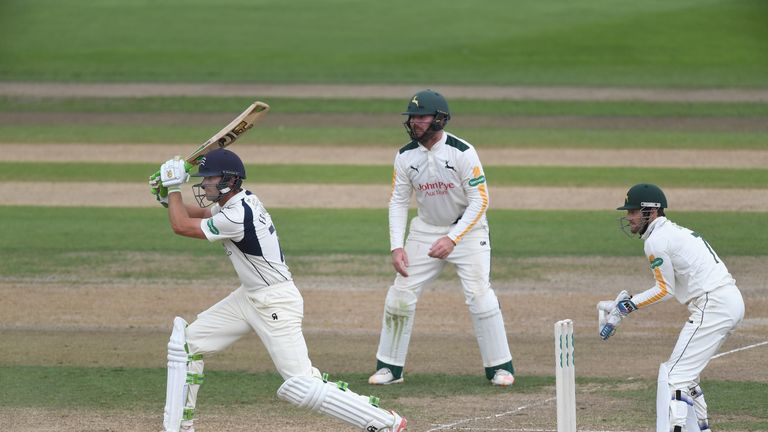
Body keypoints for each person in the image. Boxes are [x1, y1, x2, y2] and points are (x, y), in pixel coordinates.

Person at [151, 149, 407, 432]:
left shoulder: (237, 215)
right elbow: (193, 214)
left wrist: (174, 187)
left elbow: (182, 226)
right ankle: (178, 428)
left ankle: (385, 422)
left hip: (274, 303)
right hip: (250, 296)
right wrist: (166, 196)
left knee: (301, 385)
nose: (203, 184)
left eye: (209, 178)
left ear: (229, 180)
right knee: (187, 344)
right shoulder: (239, 202)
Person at [368, 89, 515, 387]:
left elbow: (480, 200)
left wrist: (453, 238)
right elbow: (398, 201)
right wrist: (396, 245)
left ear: (439, 120)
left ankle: (500, 368)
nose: (414, 122)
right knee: (400, 295)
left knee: (479, 296)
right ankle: (389, 368)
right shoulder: (405, 156)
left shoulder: (462, 152)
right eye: (412, 117)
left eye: (421, 117)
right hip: (424, 230)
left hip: (468, 231)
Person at [600, 183, 745, 432]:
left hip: (714, 305)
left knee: (673, 376)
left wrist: (628, 306)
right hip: (727, 301)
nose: (629, 217)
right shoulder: (671, 233)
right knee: (685, 375)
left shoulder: (656, 240)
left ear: (651, 212)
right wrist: (628, 302)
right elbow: (668, 286)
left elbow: (664, 290)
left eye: (634, 211)